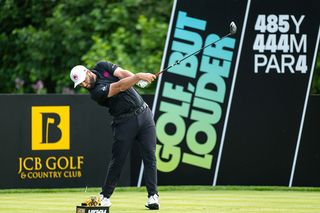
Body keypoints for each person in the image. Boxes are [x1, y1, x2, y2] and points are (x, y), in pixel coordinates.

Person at [70, 61, 159, 210]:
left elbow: (122, 74)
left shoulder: (102, 66)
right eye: (80, 85)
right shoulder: (96, 93)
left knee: (150, 156)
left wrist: (138, 81)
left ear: (87, 72)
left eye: (83, 81)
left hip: (145, 114)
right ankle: (105, 197)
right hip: (124, 122)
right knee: (118, 160)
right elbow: (120, 86)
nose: (84, 85)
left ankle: (153, 196)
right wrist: (138, 76)